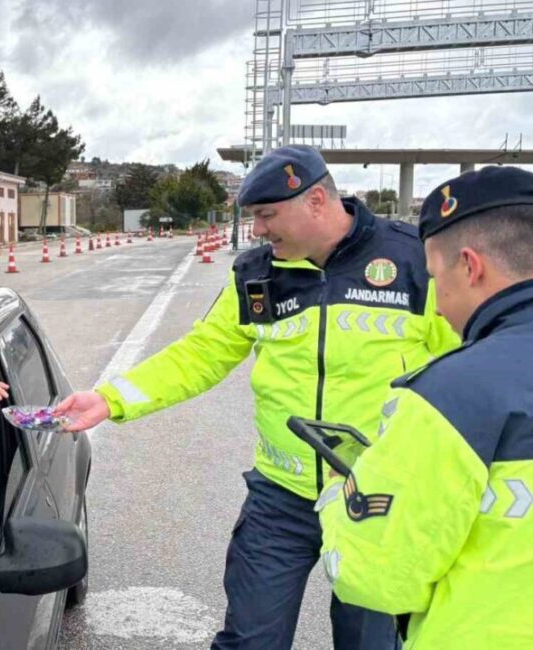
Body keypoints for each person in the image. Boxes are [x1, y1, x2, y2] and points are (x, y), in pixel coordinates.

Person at [55, 145, 460, 649]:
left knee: (372, 644)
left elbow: (466, 366)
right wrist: (111, 399)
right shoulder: (256, 275)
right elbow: (202, 352)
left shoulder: (412, 259)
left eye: (268, 215)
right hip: (280, 498)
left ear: (316, 201)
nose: (258, 231)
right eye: (253, 218)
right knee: (250, 641)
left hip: (379, 496)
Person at [318, 166, 533, 649]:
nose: (435, 306)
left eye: (435, 277)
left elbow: (376, 578)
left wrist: (338, 495)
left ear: (472, 267)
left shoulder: (451, 395)